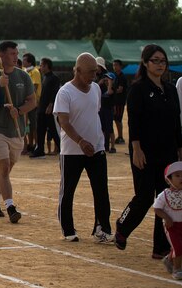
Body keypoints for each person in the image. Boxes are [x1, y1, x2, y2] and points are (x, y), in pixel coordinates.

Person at [116, 44, 182, 259]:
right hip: (144, 151)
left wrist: (179, 150)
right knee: (144, 198)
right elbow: (134, 121)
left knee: (167, 198)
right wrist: (136, 149)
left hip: (169, 152)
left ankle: (160, 247)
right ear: (145, 63)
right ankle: (122, 226)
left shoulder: (170, 89)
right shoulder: (138, 89)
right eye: (155, 60)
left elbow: (176, 123)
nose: (160, 64)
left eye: (163, 61)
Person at [54, 53, 114, 243]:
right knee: (68, 190)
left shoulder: (96, 89)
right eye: (90, 72)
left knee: (101, 190)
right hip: (72, 151)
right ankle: (67, 229)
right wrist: (80, 141)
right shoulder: (65, 93)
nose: (93, 76)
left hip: (96, 148)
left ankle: (102, 229)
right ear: (78, 70)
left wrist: (94, 142)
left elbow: (93, 113)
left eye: (95, 72)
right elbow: (63, 122)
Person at [0, 40, 36, 223]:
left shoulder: (24, 77)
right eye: (12, 53)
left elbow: (32, 101)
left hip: (17, 130)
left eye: (16, 53)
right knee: (4, 168)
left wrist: (20, 110)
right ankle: (10, 207)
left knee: (5, 171)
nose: (16, 57)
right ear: (2, 55)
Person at [154, 161, 182, 279]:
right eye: (177, 176)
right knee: (178, 248)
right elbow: (157, 208)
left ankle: (169, 259)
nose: (181, 178)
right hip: (172, 227)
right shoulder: (164, 195)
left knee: (179, 247)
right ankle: (177, 270)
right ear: (168, 179)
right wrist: (167, 217)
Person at [30, 58, 61, 158]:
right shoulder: (45, 78)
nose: (40, 67)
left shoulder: (54, 78)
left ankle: (62, 148)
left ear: (47, 66)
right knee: (40, 130)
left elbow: (55, 92)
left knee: (53, 130)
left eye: (42, 65)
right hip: (41, 108)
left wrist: (51, 105)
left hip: (48, 109)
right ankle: (40, 150)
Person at [95, 57, 116, 153]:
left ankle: (112, 146)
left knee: (109, 127)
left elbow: (110, 91)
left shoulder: (108, 76)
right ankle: (104, 145)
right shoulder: (97, 77)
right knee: (102, 127)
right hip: (101, 105)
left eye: (97, 66)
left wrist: (108, 82)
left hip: (108, 105)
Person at [22, 52, 41, 154]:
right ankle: (30, 145)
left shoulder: (35, 72)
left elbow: (34, 87)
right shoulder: (25, 71)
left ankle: (37, 146)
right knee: (27, 126)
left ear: (29, 61)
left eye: (24, 60)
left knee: (34, 125)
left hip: (33, 103)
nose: (23, 61)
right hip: (26, 102)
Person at [112, 59, 128, 145]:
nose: (114, 67)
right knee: (115, 119)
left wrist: (111, 90)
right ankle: (118, 137)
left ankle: (121, 137)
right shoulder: (114, 76)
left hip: (120, 101)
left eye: (116, 65)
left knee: (118, 119)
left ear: (120, 66)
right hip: (115, 101)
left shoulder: (122, 77)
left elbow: (120, 90)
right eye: (113, 65)